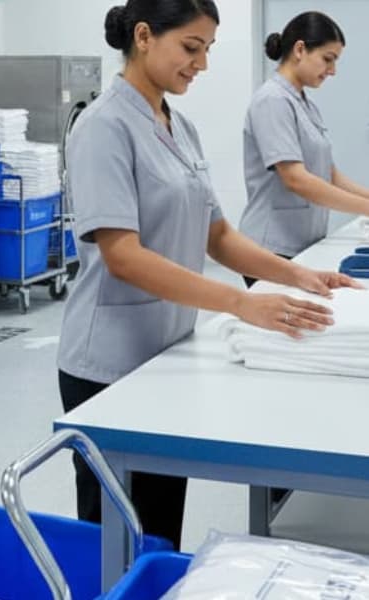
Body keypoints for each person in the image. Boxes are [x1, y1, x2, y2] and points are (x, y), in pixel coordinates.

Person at [59, 0, 359, 550]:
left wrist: (298, 276)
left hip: (166, 350)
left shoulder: (179, 125)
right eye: (191, 49)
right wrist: (242, 304)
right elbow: (122, 255)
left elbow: (216, 234)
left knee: (159, 529)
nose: (201, 65)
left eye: (208, 51)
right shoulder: (103, 126)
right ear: (144, 36)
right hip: (108, 360)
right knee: (114, 541)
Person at [240, 12, 369, 288]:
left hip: (300, 244)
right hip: (270, 247)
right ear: (300, 49)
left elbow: (329, 174)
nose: (332, 70)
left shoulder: (305, 104)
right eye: (328, 58)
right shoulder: (272, 101)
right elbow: (296, 179)